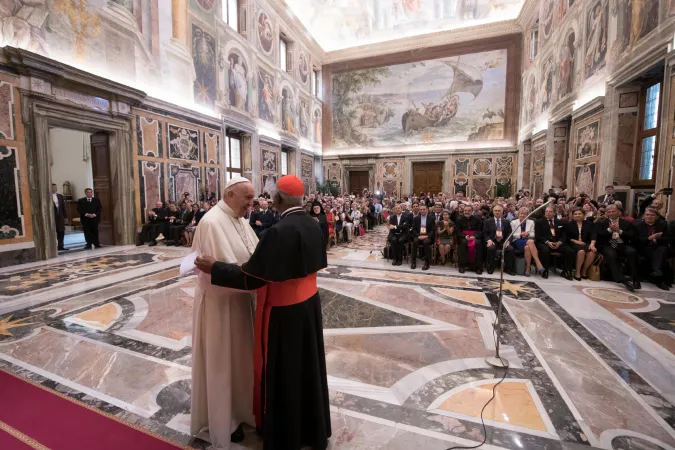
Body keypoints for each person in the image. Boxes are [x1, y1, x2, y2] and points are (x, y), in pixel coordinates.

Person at [194, 175, 331, 450]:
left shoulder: (281, 231)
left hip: (286, 313)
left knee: (288, 371)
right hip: (308, 307)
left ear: (278, 199)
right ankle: (312, 428)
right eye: (248, 198)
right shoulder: (314, 224)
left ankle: (288, 433)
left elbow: (253, 278)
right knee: (308, 367)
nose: (254, 203)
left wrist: (216, 268)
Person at [190, 177, 259, 449]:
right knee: (222, 363)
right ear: (230, 194)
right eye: (247, 198)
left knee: (240, 361)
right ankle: (224, 420)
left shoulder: (240, 218)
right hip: (221, 305)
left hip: (241, 302)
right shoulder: (211, 222)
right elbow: (220, 272)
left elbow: (253, 253)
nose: (251, 204)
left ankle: (243, 411)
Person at [594, 204, 638, 291]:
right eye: (609, 212)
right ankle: (622, 279)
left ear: (619, 212)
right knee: (611, 254)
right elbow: (599, 235)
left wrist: (619, 231)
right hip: (608, 245)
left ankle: (635, 278)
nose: (611, 213)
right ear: (606, 213)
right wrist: (609, 230)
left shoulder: (627, 223)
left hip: (622, 244)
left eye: (613, 211)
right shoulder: (601, 222)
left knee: (632, 252)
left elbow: (632, 236)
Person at [634, 208, 670, 290]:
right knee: (659, 253)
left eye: (652, 215)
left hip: (658, 247)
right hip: (644, 248)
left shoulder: (662, 225)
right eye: (647, 215)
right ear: (643, 216)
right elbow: (636, 240)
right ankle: (658, 277)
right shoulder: (637, 226)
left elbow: (668, 239)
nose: (649, 217)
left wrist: (657, 238)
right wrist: (650, 238)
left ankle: (656, 271)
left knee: (662, 249)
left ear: (657, 217)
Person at [505, 207, 544, 276]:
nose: (522, 215)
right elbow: (512, 234)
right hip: (517, 240)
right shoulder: (513, 222)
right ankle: (538, 262)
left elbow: (533, 234)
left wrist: (528, 234)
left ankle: (527, 268)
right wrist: (520, 234)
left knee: (527, 247)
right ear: (518, 214)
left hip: (527, 240)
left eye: (525, 214)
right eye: (521, 214)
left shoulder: (531, 222)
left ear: (528, 215)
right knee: (530, 242)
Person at [562, 208, 596, 281]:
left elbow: (593, 235)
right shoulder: (569, 224)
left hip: (585, 243)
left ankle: (584, 271)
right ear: (573, 215)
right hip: (573, 243)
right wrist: (575, 241)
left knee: (592, 252)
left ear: (584, 215)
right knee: (581, 251)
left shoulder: (589, 224)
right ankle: (577, 272)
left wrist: (592, 244)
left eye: (579, 214)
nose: (577, 215)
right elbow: (566, 237)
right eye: (575, 214)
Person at [535, 206, 565, 279]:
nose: (548, 213)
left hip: (557, 242)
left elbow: (564, 234)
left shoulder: (560, 222)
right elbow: (538, 236)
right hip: (543, 242)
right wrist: (547, 242)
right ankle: (545, 270)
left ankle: (566, 271)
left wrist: (560, 242)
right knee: (545, 250)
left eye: (550, 211)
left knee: (569, 250)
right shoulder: (539, 221)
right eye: (546, 211)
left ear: (554, 213)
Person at [483, 204, 512, 274]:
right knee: (491, 248)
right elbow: (484, 233)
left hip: (503, 241)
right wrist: (489, 240)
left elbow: (510, 233)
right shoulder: (488, 221)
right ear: (493, 212)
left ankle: (508, 268)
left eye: (499, 211)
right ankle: (490, 267)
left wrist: (508, 241)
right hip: (493, 241)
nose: (497, 212)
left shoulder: (506, 222)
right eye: (495, 211)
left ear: (502, 212)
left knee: (510, 249)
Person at [456, 204, 484, 274]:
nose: (467, 212)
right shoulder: (459, 220)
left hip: (475, 237)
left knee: (478, 244)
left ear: (472, 211)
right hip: (464, 237)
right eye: (465, 210)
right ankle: (462, 266)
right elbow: (458, 231)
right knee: (463, 243)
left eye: (469, 210)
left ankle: (478, 267)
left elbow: (480, 230)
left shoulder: (477, 219)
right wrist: (465, 236)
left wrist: (475, 236)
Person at [410, 204, 435, 271]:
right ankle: (413, 261)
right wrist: (418, 236)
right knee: (415, 241)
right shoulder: (416, 218)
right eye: (421, 209)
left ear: (427, 210)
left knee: (426, 242)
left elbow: (433, 230)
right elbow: (414, 229)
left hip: (427, 236)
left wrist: (426, 236)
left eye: (424, 209)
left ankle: (427, 262)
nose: (422, 211)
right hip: (419, 235)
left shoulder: (431, 218)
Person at [52, 183, 67, 251]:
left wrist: (65, 217)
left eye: (55, 187)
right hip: (52, 218)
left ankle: (61, 246)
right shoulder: (47, 196)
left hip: (60, 217)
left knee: (61, 232)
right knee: (52, 233)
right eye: (53, 187)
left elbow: (63, 207)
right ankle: (52, 247)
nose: (55, 188)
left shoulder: (60, 196)